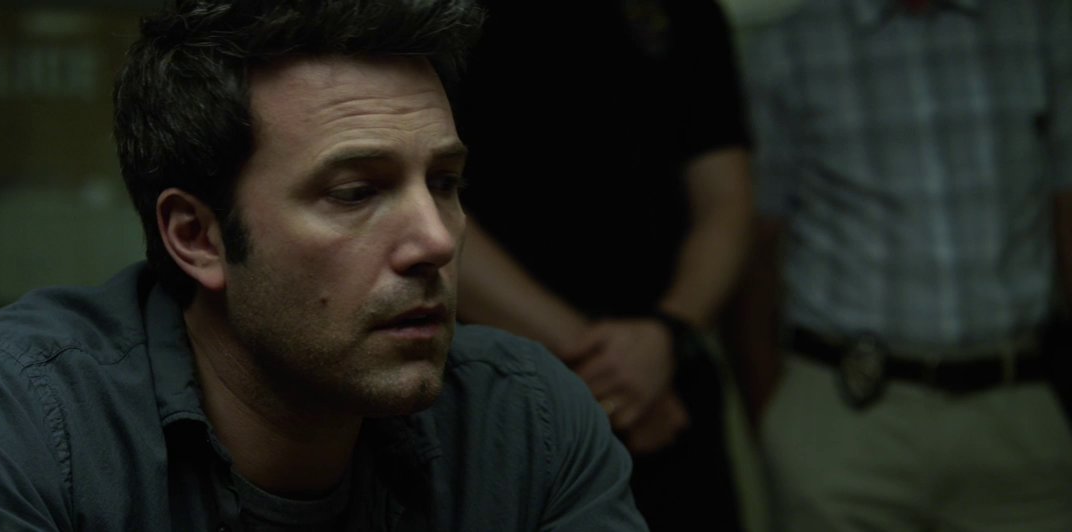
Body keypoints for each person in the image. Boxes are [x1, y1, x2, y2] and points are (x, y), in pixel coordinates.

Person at [0, 1, 649, 529]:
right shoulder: (21, 422)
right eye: (355, 192)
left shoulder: (522, 424)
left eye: (444, 183)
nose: (437, 241)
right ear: (197, 237)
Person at [738, 0, 1072, 530]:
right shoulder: (786, 50)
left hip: (1016, 403)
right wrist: (775, 415)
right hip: (847, 407)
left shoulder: (1042, 26)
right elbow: (755, 246)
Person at [455, 1, 753, 529]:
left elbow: (726, 202)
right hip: (501, 389)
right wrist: (612, 370)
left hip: (669, 387)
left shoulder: (688, 13)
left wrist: (667, 332)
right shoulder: (444, 12)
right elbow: (427, 209)